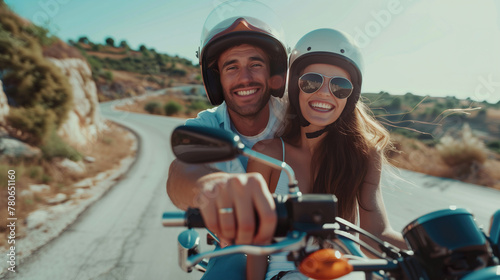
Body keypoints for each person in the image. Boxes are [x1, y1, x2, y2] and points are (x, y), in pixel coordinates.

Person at [246, 28, 408, 280]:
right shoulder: (266, 155)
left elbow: (377, 237)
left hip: (342, 274)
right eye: (311, 81)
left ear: (350, 97)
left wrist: (433, 249)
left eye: (340, 86)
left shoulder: (364, 155)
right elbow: (255, 243)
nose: (324, 93)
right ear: (295, 86)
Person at [166, 1, 288, 279]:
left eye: (255, 64)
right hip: (234, 249)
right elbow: (179, 172)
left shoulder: (296, 120)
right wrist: (211, 187)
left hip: (296, 252)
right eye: (231, 67)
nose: (245, 78)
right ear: (216, 79)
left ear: (272, 73)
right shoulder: (206, 125)